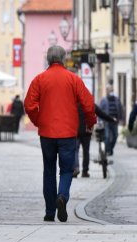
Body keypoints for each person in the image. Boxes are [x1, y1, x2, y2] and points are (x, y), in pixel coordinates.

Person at [24, 45, 96, 223]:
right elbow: (88, 103)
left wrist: (38, 121)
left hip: (47, 133)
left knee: (48, 171)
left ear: (48, 59)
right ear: (63, 59)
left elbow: (29, 105)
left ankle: (50, 212)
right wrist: (90, 122)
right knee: (66, 170)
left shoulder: (39, 79)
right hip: (68, 133)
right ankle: (62, 196)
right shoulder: (73, 79)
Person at [73, 104, 116, 178]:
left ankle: (75, 168)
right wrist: (112, 119)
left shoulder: (74, 103)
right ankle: (85, 171)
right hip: (87, 131)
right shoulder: (89, 103)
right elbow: (101, 114)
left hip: (76, 130)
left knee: (75, 150)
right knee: (86, 151)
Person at [99, 85, 123, 156]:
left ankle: (110, 149)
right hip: (106, 121)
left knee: (115, 136)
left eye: (112, 90)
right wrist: (100, 120)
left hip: (114, 121)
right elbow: (99, 111)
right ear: (107, 91)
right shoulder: (103, 100)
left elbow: (120, 109)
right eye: (110, 90)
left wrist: (121, 119)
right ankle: (106, 151)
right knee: (107, 136)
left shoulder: (117, 99)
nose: (111, 91)